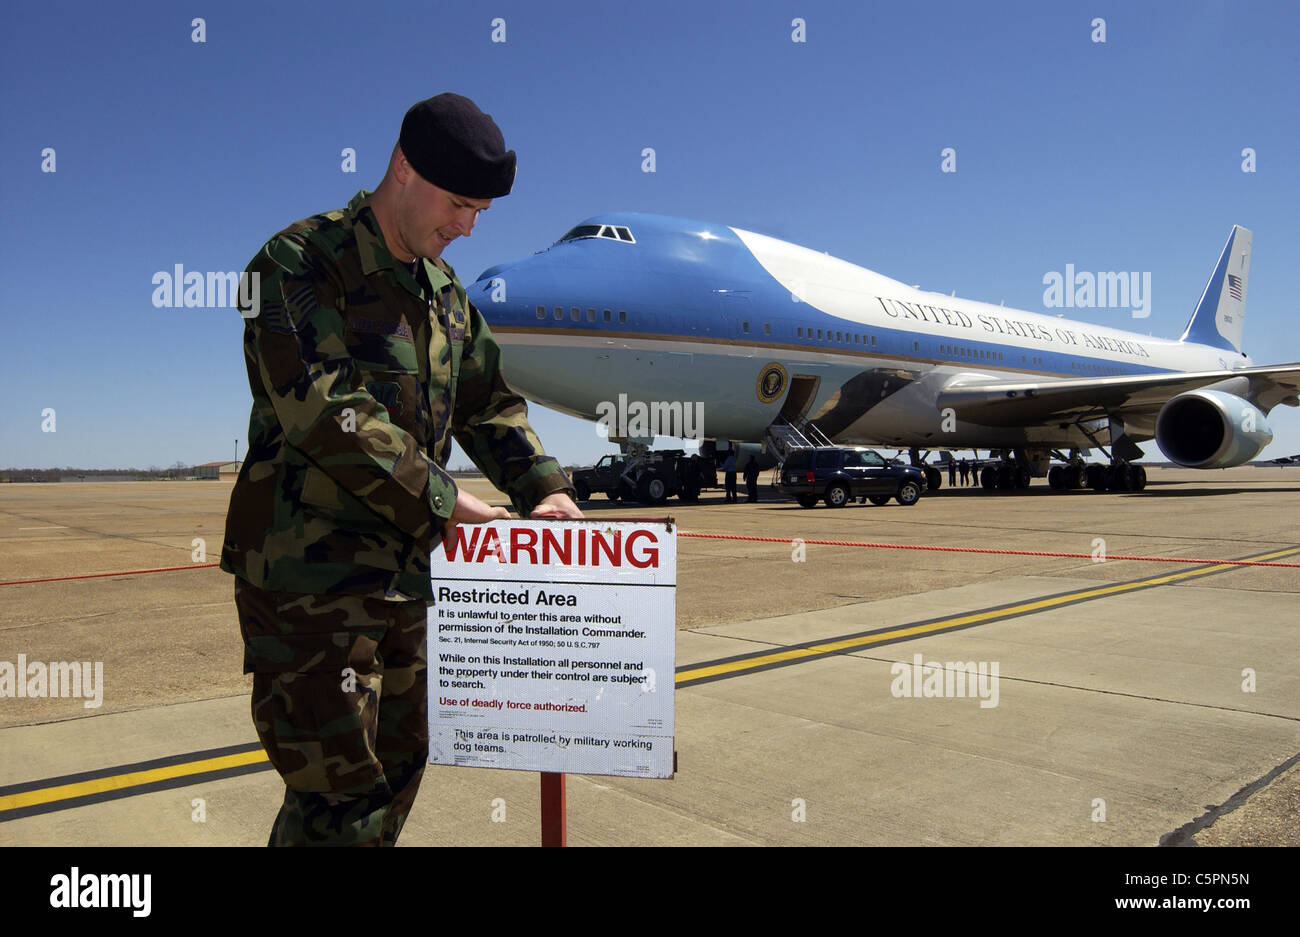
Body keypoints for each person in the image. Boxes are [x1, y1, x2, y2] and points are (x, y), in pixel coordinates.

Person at [221, 93, 581, 846]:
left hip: (405, 584)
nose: (468, 227)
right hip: (310, 588)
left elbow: (489, 407)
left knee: (394, 782)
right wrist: (446, 500)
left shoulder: (448, 298)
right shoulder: (298, 263)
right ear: (403, 170)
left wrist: (543, 486)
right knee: (340, 801)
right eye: (458, 204)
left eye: (480, 211)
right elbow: (327, 410)